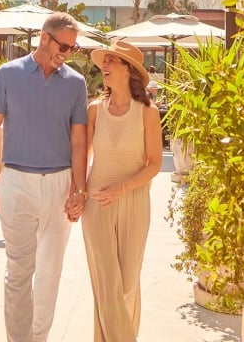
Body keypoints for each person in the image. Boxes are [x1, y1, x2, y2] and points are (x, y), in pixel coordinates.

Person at [0, 12, 89, 342]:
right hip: (15, 183)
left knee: (50, 273)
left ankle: (38, 337)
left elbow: (80, 141)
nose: (68, 53)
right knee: (18, 273)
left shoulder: (75, 83)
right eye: (64, 46)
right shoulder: (7, 75)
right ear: (44, 37)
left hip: (59, 184)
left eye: (73, 48)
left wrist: (78, 189)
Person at [78, 39, 163, 342]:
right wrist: (78, 193)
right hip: (97, 203)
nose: (105, 66)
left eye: (112, 60)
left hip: (134, 201)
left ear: (128, 70)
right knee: (108, 284)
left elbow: (154, 164)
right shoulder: (93, 109)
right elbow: (82, 156)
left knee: (127, 284)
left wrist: (122, 188)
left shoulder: (147, 112)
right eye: (105, 61)